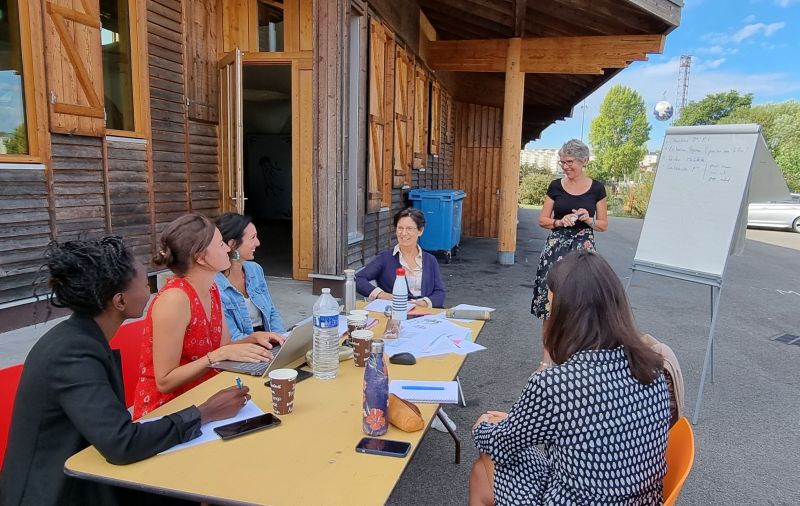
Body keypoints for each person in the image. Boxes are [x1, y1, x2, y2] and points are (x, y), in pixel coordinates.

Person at [0, 237, 250, 506]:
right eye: (145, 285)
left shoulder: (82, 338)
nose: (152, 292)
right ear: (120, 301)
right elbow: (121, 444)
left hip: (88, 472)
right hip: (56, 491)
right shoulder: (72, 354)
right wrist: (205, 412)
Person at [470, 251, 670, 505]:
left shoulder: (555, 385)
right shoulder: (651, 367)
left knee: (487, 458)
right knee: (492, 464)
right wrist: (516, 423)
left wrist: (483, 426)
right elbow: (597, 428)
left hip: (580, 498)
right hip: (640, 500)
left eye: (552, 307)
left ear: (567, 315)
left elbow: (502, 443)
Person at [133, 214, 274, 419]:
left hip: (206, 399)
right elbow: (164, 381)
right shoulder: (175, 300)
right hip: (171, 414)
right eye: (220, 245)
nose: (227, 248)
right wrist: (214, 357)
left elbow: (224, 348)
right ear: (200, 257)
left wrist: (253, 339)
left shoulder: (211, 288)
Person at [531, 139, 608, 367]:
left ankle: (576, 360)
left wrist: (588, 219)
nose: (565, 166)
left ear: (583, 161)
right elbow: (542, 220)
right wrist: (558, 221)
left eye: (570, 162)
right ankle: (546, 361)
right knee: (549, 305)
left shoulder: (597, 188)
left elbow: (603, 225)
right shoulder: (555, 186)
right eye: (562, 162)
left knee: (582, 304)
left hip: (583, 250)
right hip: (556, 247)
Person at [214, 212, 287, 345]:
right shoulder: (215, 284)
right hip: (242, 347)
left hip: (268, 341)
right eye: (253, 238)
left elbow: (271, 312)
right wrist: (259, 341)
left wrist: (281, 339)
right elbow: (231, 337)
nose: (258, 243)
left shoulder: (254, 269)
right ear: (232, 244)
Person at [355, 207, 446, 308]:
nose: (403, 233)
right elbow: (358, 279)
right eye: (400, 228)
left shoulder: (430, 260)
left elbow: (440, 292)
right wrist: (381, 295)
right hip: (395, 313)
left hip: (425, 315)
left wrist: (425, 303)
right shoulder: (385, 258)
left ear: (420, 231)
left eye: (409, 228)